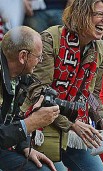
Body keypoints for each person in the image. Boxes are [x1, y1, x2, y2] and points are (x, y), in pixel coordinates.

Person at [20, 0, 103, 170]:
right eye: (99, 14)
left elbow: (92, 96)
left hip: (75, 133)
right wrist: (71, 124)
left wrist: (101, 118)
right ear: (81, 15)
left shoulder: (99, 50)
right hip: (42, 129)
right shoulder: (50, 39)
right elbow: (37, 93)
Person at [0, 26, 59, 170]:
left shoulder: (21, 77)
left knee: (45, 168)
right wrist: (31, 123)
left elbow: (13, 119)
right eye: (39, 56)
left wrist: (25, 147)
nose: (40, 61)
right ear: (23, 56)